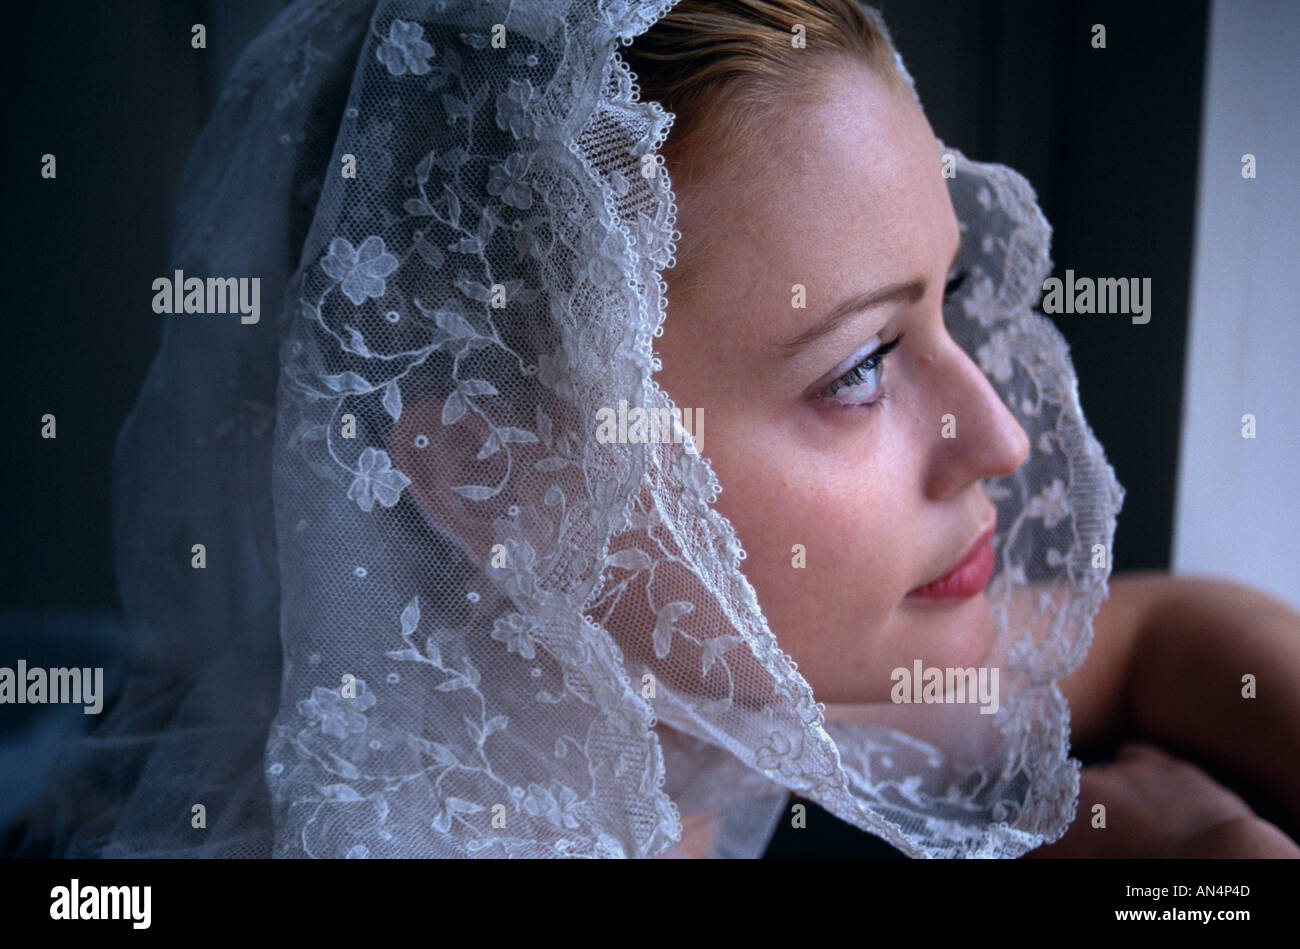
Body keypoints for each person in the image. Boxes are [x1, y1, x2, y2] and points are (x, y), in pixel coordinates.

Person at [14, 0, 1297, 859]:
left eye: (949, 298)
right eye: (858, 367)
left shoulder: (638, 692)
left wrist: (1193, 839)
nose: (1002, 437)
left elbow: (1168, 631)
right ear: (492, 464)